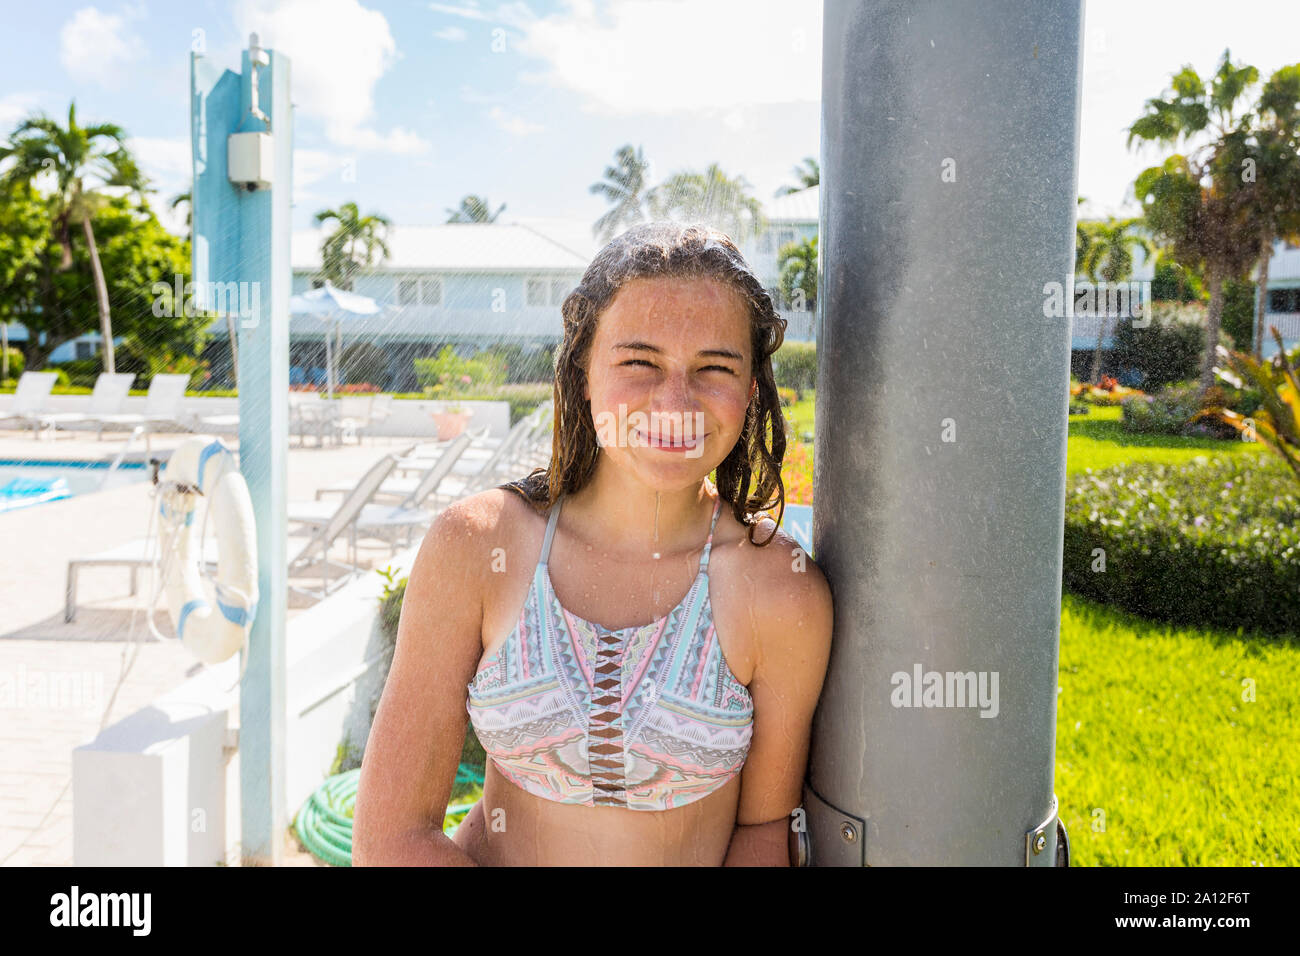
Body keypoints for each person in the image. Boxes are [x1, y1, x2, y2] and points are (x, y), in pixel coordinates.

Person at [353, 221, 833, 866]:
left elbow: (762, 832)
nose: (676, 400)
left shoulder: (781, 590)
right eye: (640, 361)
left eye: (714, 367)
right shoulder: (477, 546)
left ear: (750, 393)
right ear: (583, 373)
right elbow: (394, 839)